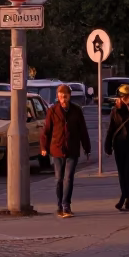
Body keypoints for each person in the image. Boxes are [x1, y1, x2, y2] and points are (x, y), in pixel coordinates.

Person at [40, 83, 91, 218]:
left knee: (68, 178)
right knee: (58, 179)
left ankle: (66, 205)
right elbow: (46, 131)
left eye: (65, 96)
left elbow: (83, 130)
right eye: (61, 96)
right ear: (58, 97)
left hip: (72, 149)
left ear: (69, 96)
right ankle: (59, 205)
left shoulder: (76, 110)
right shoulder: (52, 111)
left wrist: (87, 147)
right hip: (57, 149)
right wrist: (44, 147)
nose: (63, 99)